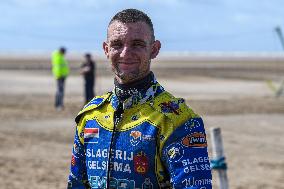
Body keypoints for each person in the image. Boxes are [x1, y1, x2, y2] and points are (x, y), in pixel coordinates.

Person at [67, 9, 212, 189]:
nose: (125, 53)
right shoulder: (90, 117)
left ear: (154, 49)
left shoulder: (178, 121)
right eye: (117, 44)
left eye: (137, 44)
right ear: (106, 49)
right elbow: (76, 184)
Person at [51, 47, 69, 111]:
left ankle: (59, 104)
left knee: (60, 91)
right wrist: (59, 75)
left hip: (61, 76)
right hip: (60, 76)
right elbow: (58, 68)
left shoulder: (59, 56)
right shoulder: (58, 57)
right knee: (60, 91)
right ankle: (59, 105)